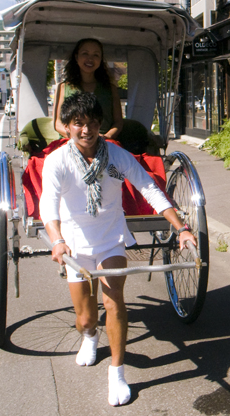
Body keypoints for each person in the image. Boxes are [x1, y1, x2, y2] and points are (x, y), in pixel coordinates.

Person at [40, 92, 196, 406]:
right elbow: (48, 205)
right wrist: (57, 240)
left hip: (110, 239)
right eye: (78, 123)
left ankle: (117, 373)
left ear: (100, 124)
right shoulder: (57, 161)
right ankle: (90, 336)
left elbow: (148, 188)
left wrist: (181, 228)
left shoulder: (115, 156)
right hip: (75, 245)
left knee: (114, 303)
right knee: (86, 319)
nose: (86, 130)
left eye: (92, 123)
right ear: (67, 127)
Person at [53, 38, 123, 140]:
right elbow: (57, 123)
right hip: (71, 140)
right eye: (85, 53)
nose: (90, 59)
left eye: (96, 55)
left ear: (100, 60)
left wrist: (106, 137)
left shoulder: (111, 89)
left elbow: (118, 122)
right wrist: (79, 138)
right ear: (76, 57)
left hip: (104, 141)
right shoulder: (62, 87)